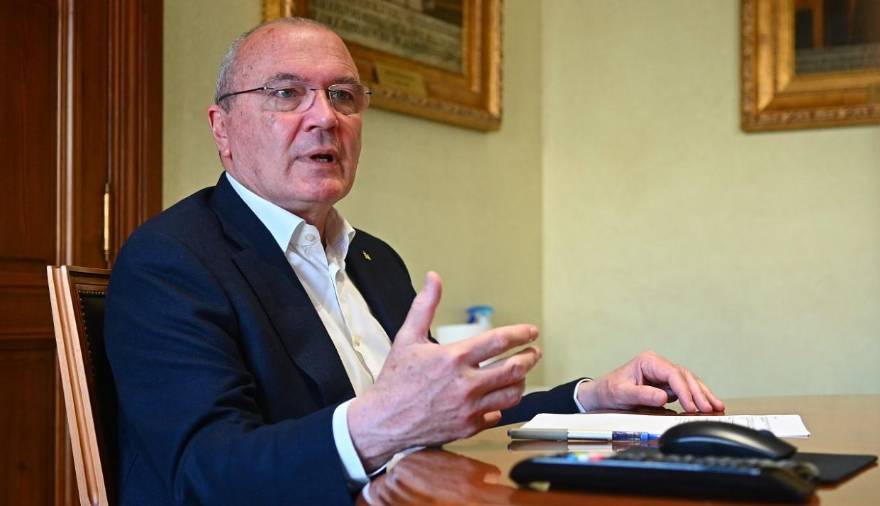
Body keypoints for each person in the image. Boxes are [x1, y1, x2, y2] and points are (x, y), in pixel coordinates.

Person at [105, 17, 724, 505]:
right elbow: (203, 474)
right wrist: (377, 425)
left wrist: (592, 398)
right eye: (286, 93)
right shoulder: (172, 261)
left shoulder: (374, 260)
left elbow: (442, 417)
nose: (324, 117)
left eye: (343, 95)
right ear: (222, 128)